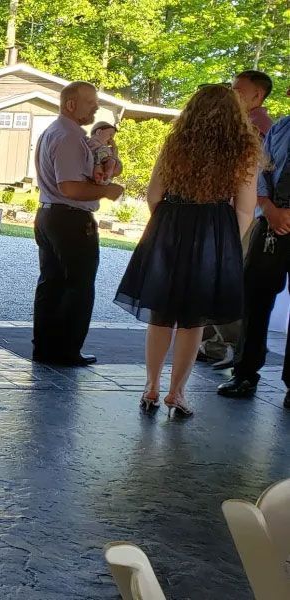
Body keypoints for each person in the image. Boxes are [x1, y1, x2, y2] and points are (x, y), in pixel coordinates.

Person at [114, 84, 261, 418]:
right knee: (193, 320)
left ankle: (150, 387)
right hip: (215, 229)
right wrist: (222, 242)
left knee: (161, 315)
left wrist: (169, 227)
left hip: (170, 225)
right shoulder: (243, 149)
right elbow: (245, 209)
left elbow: (154, 194)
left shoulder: (176, 142)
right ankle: (176, 393)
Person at [32, 82, 125, 366]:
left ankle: (45, 348)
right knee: (78, 286)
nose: (96, 108)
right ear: (71, 104)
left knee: (52, 284)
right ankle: (67, 350)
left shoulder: (56, 132)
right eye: (90, 103)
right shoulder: (69, 137)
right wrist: (107, 192)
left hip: (50, 214)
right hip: (70, 218)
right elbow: (71, 187)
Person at [218, 88, 290, 409]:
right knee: (255, 298)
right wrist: (269, 208)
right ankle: (245, 373)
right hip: (271, 222)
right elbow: (262, 170)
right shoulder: (280, 128)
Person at [199, 70, 276, 367]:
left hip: (239, 215)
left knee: (225, 278)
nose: (232, 94)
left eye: (238, 90)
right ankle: (211, 344)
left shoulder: (256, 129)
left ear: (258, 96)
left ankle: (234, 344)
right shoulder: (242, 126)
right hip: (226, 212)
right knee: (212, 277)